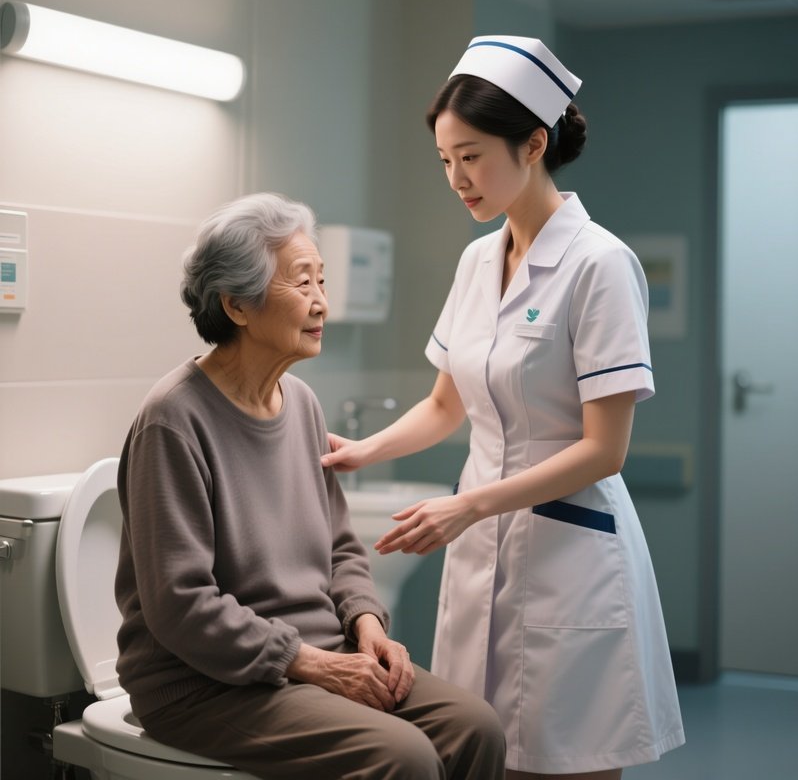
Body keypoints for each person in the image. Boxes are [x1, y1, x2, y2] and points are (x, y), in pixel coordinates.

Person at [321, 36, 685, 779]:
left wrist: (470, 506)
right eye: (446, 160)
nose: (457, 178)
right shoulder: (476, 261)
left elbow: (604, 450)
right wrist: (360, 453)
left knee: (570, 761)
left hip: (571, 556)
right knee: (481, 756)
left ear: (535, 143)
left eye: (473, 156)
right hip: (483, 554)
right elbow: (444, 404)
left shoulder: (599, 265)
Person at [114, 192, 506, 780]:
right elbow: (182, 606)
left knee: (477, 729)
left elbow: (341, 547)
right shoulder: (173, 421)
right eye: (303, 284)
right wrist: (313, 664)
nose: (323, 301)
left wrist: (367, 625)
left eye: (322, 280)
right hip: (202, 684)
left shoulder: (301, 404)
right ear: (238, 307)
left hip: (318, 652)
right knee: (405, 758)